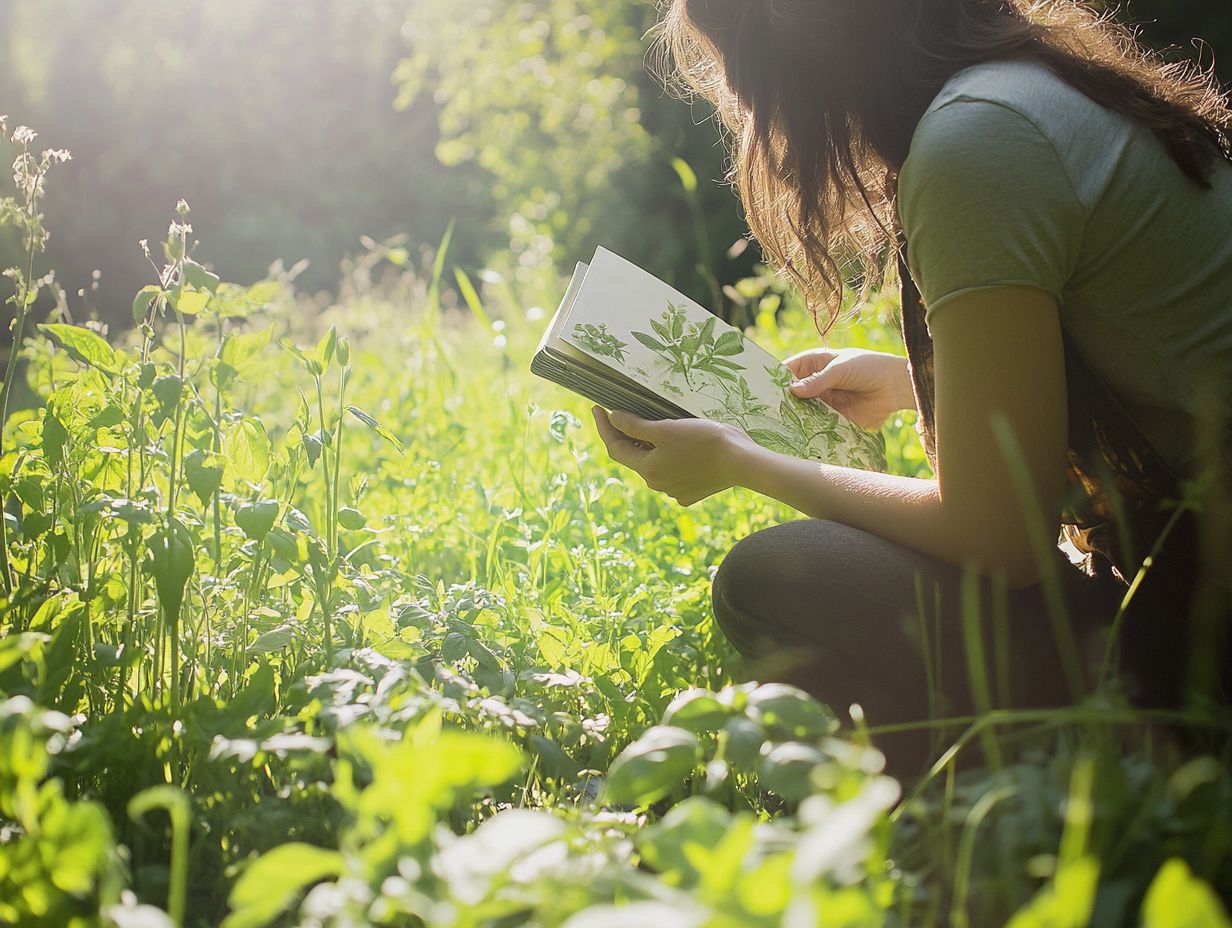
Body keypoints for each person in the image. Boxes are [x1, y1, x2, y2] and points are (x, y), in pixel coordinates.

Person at [590, 0, 1232, 770]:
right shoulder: (1028, 91)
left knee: (772, 577)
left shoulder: (976, 142)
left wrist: (739, 461)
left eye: (740, 82)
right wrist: (906, 383)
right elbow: (1138, 359)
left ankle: (1030, 810)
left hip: (1204, 621)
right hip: (1195, 564)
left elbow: (998, 538)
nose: (748, 114)